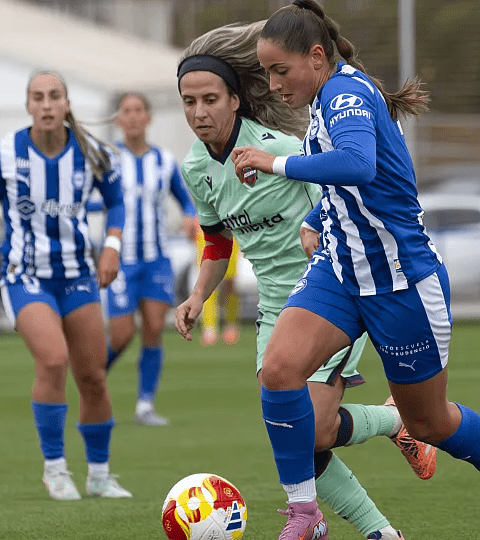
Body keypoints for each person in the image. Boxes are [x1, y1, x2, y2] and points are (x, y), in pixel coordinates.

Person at [229, 2, 480, 539]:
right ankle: (305, 513)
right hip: (340, 272)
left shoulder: (344, 94)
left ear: (317, 57)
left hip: (400, 281)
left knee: (428, 423)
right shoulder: (323, 99)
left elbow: (359, 164)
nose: (275, 84)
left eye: (281, 70)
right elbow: (363, 183)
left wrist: (273, 162)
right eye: (268, 72)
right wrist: (316, 217)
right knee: (278, 371)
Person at [173, 21, 436, 540]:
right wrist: (197, 295)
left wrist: (319, 227)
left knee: (310, 429)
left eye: (210, 99)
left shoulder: (280, 148)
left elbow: (342, 196)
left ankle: (394, 425)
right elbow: (218, 241)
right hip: (275, 309)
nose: (199, 112)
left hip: (329, 297)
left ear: (235, 101)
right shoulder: (194, 168)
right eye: (188, 102)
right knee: (297, 437)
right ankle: (380, 530)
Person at [0, 69, 132, 501]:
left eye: (55, 96)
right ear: (28, 105)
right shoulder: (4, 153)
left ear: (67, 104)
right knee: (54, 360)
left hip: (78, 275)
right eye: (38, 97)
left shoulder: (92, 152)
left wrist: (112, 247)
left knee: (93, 376)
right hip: (26, 275)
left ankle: (99, 474)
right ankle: (55, 469)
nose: (47, 104)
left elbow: (116, 203)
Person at [103, 91, 198, 426]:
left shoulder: (164, 160)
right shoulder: (108, 160)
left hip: (156, 258)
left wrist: (190, 216)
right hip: (121, 260)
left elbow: (184, 198)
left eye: (138, 110)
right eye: (126, 110)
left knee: (155, 328)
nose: (132, 116)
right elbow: (88, 196)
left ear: (148, 117)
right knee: (121, 335)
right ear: (118, 119)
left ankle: (145, 405)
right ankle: (93, 382)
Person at [194, 229, 241, 346]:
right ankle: (209, 327)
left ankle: (231, 324)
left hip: (229, 231)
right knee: (208, 282)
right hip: (206, 233)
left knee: (229, 282)